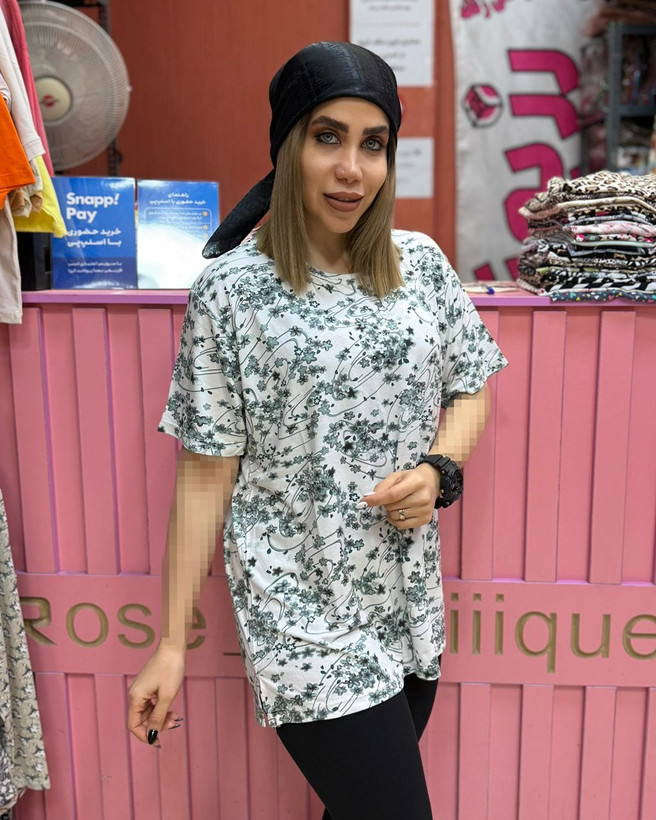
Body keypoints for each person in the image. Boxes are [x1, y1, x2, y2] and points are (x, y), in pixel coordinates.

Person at [127, 41, 508, 820]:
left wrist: (438, 470)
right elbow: (204, 476)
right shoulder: (231, 291)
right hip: (298, 611)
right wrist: (169, 643)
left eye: (374, 144)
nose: (351, 169)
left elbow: (472, 387)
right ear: (287, 145)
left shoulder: (420, 265)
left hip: (405, 600)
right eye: (327, 137)